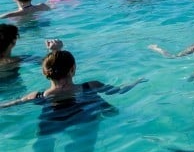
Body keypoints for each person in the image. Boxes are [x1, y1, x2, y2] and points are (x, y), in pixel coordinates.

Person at [0, 39, 145, 109]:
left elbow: (11, 104)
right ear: (73, 69)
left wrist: (54, 52)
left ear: (45, 73)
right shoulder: (92, 85)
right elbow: (118, 91)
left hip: (51, 121)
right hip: (86, 116)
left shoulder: (36, 96)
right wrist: (137, 81)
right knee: (109, 110)